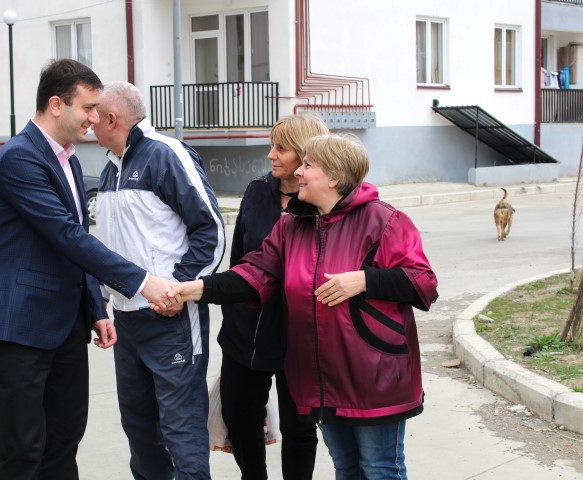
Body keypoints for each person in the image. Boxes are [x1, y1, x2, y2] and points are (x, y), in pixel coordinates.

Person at [157, 133, 439, 480]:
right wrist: (197, 288)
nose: (298, 173)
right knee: (346, 468)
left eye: (308, 165)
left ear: (334, 177)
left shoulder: (384, 221)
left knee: (380, 469)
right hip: (322, 376)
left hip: (373, 376)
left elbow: (423, 281)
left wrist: (364, 280)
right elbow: (255, 272)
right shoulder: (293, 225)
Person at [0, 59, 172, 480]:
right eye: (88, 108)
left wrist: (95, 308)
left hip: (63, 327)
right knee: (23, 449)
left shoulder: (70, 160)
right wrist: (140, 282)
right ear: (57, 104)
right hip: (17, 327)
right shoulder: (18, 159)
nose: (95, 119)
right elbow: (66, 236)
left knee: (64, 442)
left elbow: (71, 242)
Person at [91, 81, 225, 480]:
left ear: (112, 119)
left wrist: (179, 289)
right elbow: (112, 246)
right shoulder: (109, 168)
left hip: (170, 319)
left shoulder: (165, 155)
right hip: (127, 320)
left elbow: (211, 231)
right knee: (138, 427)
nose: (88, 124)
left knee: (181, 429)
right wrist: (101, 299)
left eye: (94, 116)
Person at [218, 113, 328, 480]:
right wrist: (231, 316)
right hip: (246, 334)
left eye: (281, 147)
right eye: (272, 145)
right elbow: (239, 262)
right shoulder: (256, 191)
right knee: (239, 417)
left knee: (300, 428)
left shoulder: (325, 203)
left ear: (305, 155)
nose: (271, 155)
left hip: (300, 338)